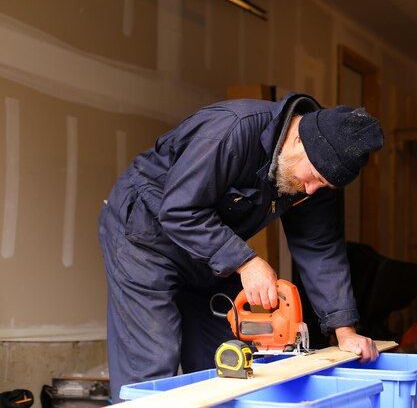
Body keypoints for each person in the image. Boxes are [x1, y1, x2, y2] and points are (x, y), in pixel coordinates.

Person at [98, 92, 384, 401]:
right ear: (299, 141)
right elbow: (179, 210)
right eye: (313, 178)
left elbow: (320, 247)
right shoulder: (231, 130)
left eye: (324, 186)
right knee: (151, 367)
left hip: (209, 253)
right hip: (146, 238)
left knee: (229, 363)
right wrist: (246, 262)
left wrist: (344, 330)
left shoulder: (317, 174)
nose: (313, 190)